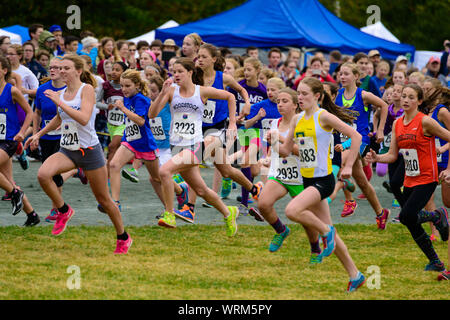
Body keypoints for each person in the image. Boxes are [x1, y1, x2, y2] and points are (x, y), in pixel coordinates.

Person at [25, 54, 132, 254]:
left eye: (66, 68)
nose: (62, 71)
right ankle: (63, 210)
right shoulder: (63, 93)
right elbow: (59, 118)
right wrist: (37, 134)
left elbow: (83, 118)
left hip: (90, 151)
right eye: (60, 68)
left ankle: (123, 236)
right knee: (43, 174)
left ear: (78, 71)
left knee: (104, 200)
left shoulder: (87, 89)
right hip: (68, 150)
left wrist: (60, 102)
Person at [274, 76, 366, 292]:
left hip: (323, 180)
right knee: (329, 228)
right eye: (299, 93)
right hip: (308, 179)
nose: (300, 97)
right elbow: (287, 150)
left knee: (292, 210)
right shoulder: (297, 120)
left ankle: (326, 233)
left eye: (305, 93)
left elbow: (356, 136)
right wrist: (270, 142)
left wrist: (348, 166)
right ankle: (356, 275)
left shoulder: (323, 116)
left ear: (317, 96)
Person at [149, 57, 239, 235]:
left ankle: (169, 214)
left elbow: (230, 96)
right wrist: (162, 93)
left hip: (196, 145)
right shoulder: (171, 91)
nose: (176, 75)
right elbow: (152, 115)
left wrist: (232, 123)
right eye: (174, 72)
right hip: (178, 147)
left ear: (190, 72)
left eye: (180, 71)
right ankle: (229, 213)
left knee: (165, 171)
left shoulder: (202, 91)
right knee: (200, 190)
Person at [365, 84, 450, 272]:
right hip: (410, 178)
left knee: (406, 216)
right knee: (410, 221)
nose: (405, 100)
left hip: (428, 177)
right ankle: (435, 261)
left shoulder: (425, 121)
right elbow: (393, 155)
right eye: (403, 96)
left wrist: (449, 167)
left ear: (419, 101)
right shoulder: (397, 123)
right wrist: (377, 157)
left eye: (411, 97)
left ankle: (437, 215)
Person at [182, 44, 263, 216]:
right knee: (226, 169)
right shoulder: (194, 76)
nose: (200, 60)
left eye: (204, 57)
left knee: (194, 160)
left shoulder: (223, 78)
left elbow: (240, 90)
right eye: (198, 57)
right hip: (198, 127)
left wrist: (246, 104)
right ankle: (254, 189)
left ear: (213, 59)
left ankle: (189, 207)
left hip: (218, 128)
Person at [257, 87, 323, 264]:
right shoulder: (274, 123)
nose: (280, 104)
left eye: (285, 101)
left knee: (304, 217)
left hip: (301, 176)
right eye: (278, 101)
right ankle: (281, 230)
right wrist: (268, 157)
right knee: (263, 204)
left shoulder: (302, 124)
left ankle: (315, 249)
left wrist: (280, 141)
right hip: (279, 173)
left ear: (295, 105)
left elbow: (305, 153)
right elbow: (272, 147)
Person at [336, 62, 390, 227]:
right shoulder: (338, 95)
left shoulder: (363, 95)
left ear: (356, 76)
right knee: (362, 182)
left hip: (360, 140)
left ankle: (349, 200)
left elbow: (384, 105)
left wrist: (380, 130)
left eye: (346, 73)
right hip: (344, 139)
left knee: (342, 162)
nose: (342, 77)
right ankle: (381, 212)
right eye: (340, 73)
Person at [33, 57, 84, 222]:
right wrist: (35, 133)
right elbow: (37, 113)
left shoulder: (70, 90)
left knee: (54, 174)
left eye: (57, 67)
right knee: (48, 171)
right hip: (47, 135)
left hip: (65, 135)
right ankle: (76, 170)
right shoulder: (42, 90)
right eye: (51, 67)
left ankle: (56, 209)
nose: (54, 70)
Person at [107, 69, 163, 212]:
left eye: (127, 86)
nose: (124, 89)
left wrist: (122, 108)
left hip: (145, 143)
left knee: (156, 178)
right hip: (130, 141)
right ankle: (115, 202)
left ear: (137, 85)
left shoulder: (141, 99)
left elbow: (140, 121)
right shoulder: (127, 97)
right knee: (113, 165)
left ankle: (180, 192)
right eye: (122, 86)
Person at [0, 56, 39, 226]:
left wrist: (22, 133)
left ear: (4, 70)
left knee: (10, 186)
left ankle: (15, 194)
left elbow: (29, 113)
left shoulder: (12, 90)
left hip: (9, 140)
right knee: (9, 181)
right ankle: (32, 215)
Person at [96, 61, 128, 177]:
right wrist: (106, 106)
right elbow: (97, 103)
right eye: (112, 69)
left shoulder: (127, 87)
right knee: (113, 150)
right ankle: (111, 172)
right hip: (110, 123)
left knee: (112, 146)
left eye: (117, 70)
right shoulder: (105, 86)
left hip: (124, 123)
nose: (113, 72)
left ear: (124, 72)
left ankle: (108, 175)